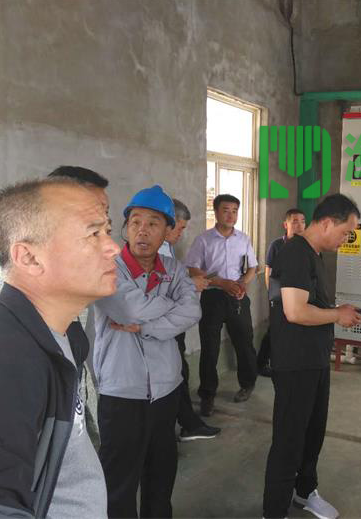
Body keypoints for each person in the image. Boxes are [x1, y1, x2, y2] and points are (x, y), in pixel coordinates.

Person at [0, 177, 119, 517]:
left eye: (108, 231)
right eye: (94, 234)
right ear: (29, 257)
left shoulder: (65, 335)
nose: (114, 247)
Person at [94, 185, 201, 518]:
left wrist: (145, 327)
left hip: (166, 389)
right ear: (126, 228)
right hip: (121, 391)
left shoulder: (174, 269)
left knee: (161, 475)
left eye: (153, 223)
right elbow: (129, 308)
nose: (143, 230)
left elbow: (193, 311)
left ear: (168, 231)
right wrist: (170, 306)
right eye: (135, 222)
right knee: (119, 483)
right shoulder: (108, 267)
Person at [263, 194, 361, 519]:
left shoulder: (314, 254)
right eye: (346, 232)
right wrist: (337, 315)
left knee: (312, 432)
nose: (346, 239)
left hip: (314, 359)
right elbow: (295, 311)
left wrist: (338, 311)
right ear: (327, 223)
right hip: (295, 363)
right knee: (289, 440)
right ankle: (273, 511)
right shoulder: (295, 253)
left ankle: (305, 492)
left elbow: (312, 304)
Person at [185, 194, 259, 416]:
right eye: (226, 210)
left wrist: (242, 283)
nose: (231, 215)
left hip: (237, 296)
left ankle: (247, 384)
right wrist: (220, 282)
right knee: (210, 347)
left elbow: (253, 267)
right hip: (213, 297)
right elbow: (193, 269)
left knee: (244, 342)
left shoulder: (243, 239)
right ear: (216, 212)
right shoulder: (203, 240)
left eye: (235, 211)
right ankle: (207, 395)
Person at [159, 198, 221, 440]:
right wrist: (190, 283)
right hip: (164, 325)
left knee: (179, 372)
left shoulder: (166, 248)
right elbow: (159, 288)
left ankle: (188, 423)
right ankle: (186, 424)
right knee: (177, 373)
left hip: (173, 322)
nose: (181, 234)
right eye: (180, 228)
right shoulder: (155, 250)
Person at [257, 208, 306, 377]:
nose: (299, 225)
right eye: (295, 221)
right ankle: (262, 363)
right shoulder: (277, 245)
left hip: (300, 297)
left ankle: (290, 363)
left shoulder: (308, 245)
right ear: (286, 225)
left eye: (302, 221)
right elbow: (268, 272)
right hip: (279, 298)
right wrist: (272, 295)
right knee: (275, 331)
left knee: (297, 331)